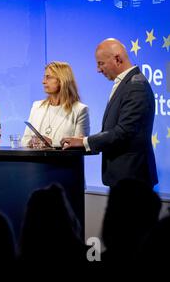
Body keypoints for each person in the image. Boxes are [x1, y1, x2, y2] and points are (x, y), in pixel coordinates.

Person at [62, 38, 158, 187]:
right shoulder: (126, 83)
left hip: (133, 180)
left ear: (117, 59)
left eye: (101, 63)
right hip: (124, 178)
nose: (98, 70)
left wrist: (84, 141)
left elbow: (123, 132)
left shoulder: (135, 86)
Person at [21, 61, 89, 148]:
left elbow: (80, 144)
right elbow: (24, 140)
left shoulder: (80, 110)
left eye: (48, 77)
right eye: (44, 77)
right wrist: (31, 142)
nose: (43, 81)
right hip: (35, 160)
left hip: (63, 161)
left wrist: (52, 143)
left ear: (62, 80)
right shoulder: (37, 106)